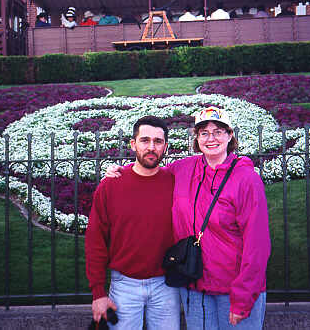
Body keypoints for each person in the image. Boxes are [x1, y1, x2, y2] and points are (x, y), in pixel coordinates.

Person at [106, 107, 271, 329]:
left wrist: (243, 297)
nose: (211, 138)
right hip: (194, 286)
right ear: (197, 138)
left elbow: (257, 244)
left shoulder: (246, 179)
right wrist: (121, 171)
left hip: (234, 290)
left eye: (218, 131)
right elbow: (151, 172)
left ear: (230, 135)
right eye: (204, 133)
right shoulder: (184, 169)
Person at [85, 116, 181, 330]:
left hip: (166, 284)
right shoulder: (111, 185)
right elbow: (95, 241)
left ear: (165, 146)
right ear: (133, 144)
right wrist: (98, 293)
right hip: (124, 285)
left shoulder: (176, 182)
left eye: (158, 141)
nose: (151, 147)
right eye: (145, 140)